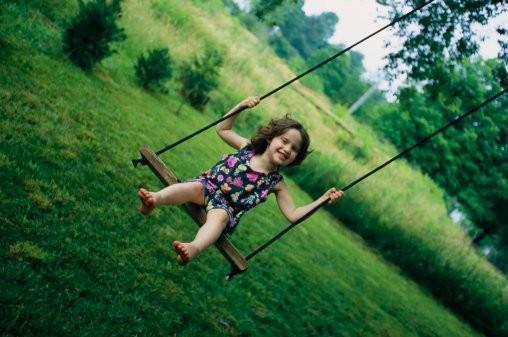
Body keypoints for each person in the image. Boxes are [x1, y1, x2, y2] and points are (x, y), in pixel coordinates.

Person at [138, 96, 344, 265]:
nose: (287, 149)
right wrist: (241, 106)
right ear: (271, 138)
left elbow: (293, 215)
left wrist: (323, 199)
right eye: (284, 141)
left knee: (218, 218)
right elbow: (223, 129)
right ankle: (154, 200)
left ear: (296, 158)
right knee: (191, 187)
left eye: (294, 149)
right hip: (207, 186)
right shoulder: (247, 148)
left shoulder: (276, 183)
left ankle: (193, 247)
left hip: (226, 209)